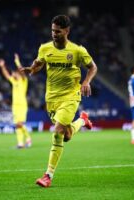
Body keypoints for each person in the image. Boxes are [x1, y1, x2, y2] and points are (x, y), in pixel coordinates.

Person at [20, 15, 98, 187]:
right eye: (52, 30)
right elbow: (40, 62)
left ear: (67, 31)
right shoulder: (45, 48)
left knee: (57, 132)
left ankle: (48, 175)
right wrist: (33, 68)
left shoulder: (77, 51)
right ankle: (82, 121)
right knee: (67, 135)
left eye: (58, 31)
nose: (54, 34)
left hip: (71, 95)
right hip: (52, 99)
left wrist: (86, 82)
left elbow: (93, 67)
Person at [0, 54, 32, 148]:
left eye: (15, 73)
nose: (13, 74)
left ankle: (28, 138)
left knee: (19, 123)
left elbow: (21, 70)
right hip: (15, 105)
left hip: (22, 105)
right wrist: (2, 66)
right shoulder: (14, 81)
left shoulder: (24, 80)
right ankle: (20, 143)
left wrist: (17, 61)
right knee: (17, 125)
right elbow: (6, 75)